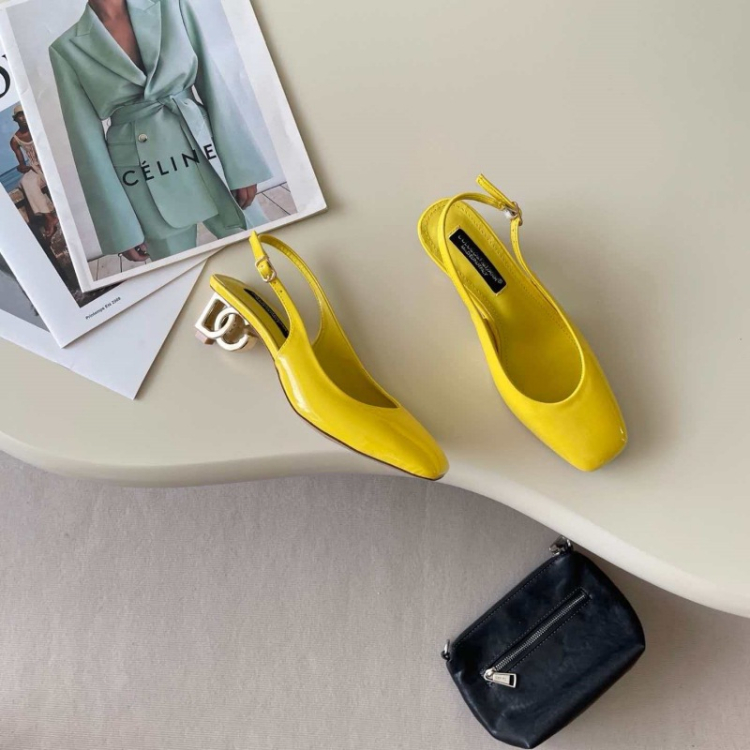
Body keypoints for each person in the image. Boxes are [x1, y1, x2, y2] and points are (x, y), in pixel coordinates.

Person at [50, 0, 272, 264]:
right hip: (142, 178)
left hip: (207, 151)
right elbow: (85, 142)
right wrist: (121, 228)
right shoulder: (66, 48)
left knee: (267, 252)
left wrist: (242, 166)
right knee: (182, 274)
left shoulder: (170, 4)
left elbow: (211, 80)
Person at [9, 105, 60, 240]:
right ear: (16, 119)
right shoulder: (15, 140)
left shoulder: (38, 127)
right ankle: (50, 218)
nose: (23, 118)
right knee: (26, 182)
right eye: (20, 115)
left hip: (51, 163)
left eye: (25, 114)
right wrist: (22, 167)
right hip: (35, 167)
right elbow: (22, 163)